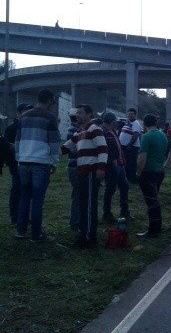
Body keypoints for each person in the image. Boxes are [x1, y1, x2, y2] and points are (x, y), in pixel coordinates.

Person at [15, 89, 60, 242]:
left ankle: (20, 230)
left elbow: (18, 140)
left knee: (24, 197)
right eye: (53, 102)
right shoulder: (50, 117)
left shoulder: (24, 116)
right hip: (40, 162)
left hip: (24, 161)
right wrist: (54, 161)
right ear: (49, 101)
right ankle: (36, 234)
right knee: (38, 200)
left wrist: (18, 158)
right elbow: (54, 142)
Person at [62, 104, 108, 248]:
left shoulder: (95, 129)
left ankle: (88, 238)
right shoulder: (79, 133)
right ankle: (85, 234)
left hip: (90, 172)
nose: (77, 115)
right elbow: (65, 148)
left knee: (88, 205)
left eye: (80, 113)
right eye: (77, 113)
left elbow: (103, 149)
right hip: (82, 172)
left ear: (89, 114)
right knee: (84, 204)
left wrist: (101, 168)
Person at [135, 114, 171, 238]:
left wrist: (138, 173)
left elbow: (142, 158)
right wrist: (167, 163)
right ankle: (157, 226)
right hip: (160, 172)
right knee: (154, 199)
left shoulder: (146, 137)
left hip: (148, 172)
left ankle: (153, 230)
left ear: (144, 124)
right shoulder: (163, 135)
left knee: (152, 202)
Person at [4, 102, 33, 224]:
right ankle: (15, 217)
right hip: (16, 164)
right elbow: (7, 147)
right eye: (26, 111)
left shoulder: (29, 126)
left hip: (28, 162)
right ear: (18, 113)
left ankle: (25, 216)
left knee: (26, 191)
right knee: (17, 190)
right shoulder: (11, 128)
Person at [101, 112, 130, 222]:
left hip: (119, 164)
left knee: (124, 186)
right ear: (113, 121)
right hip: (112, 165)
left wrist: (121, 158)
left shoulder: (112, 131)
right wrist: (109, 161)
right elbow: (102, 148)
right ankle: (107, 213)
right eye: (115, 121)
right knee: (110, 189)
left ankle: (124, 211)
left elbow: (118, 146)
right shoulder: (103, 132)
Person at [119, 108, 142, 183]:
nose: (130, 115)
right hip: (125, 146)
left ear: (135, 115)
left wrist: (129, 145)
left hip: (131, 147)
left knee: (131, 164)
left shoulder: (136, 123)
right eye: (129, 113)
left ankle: (131, 179)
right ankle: (126, 177)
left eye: (131, 114)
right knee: (126, 163)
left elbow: (135, 135)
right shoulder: (128, 122)